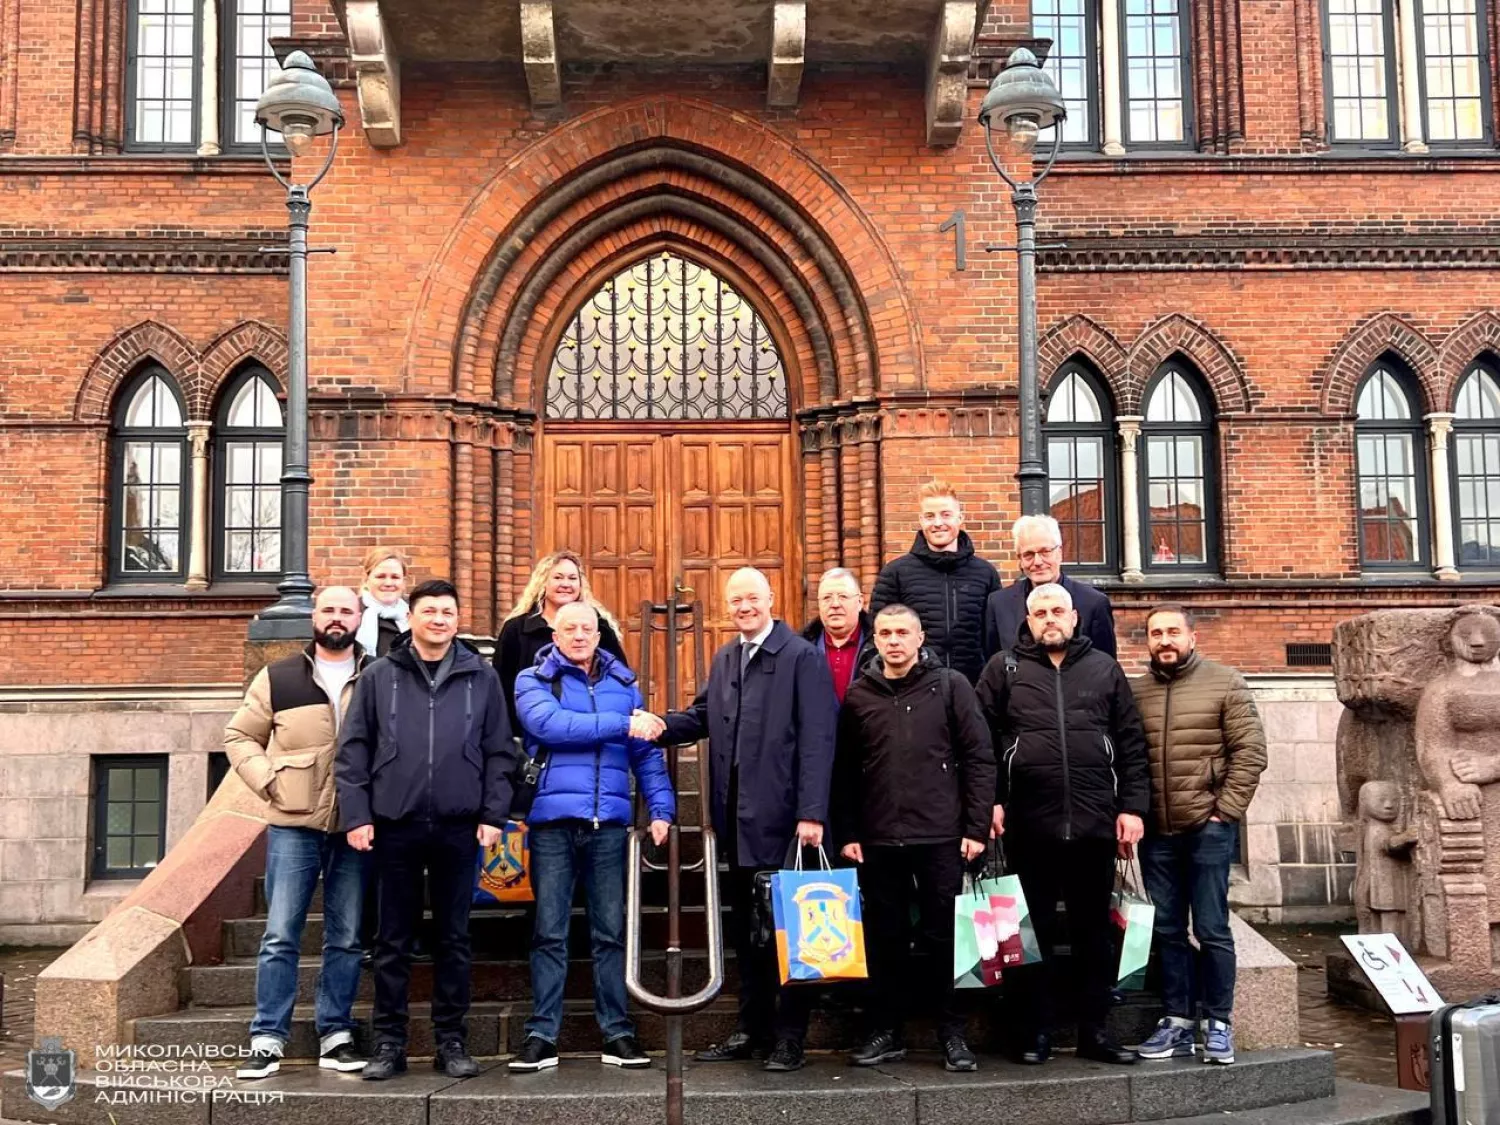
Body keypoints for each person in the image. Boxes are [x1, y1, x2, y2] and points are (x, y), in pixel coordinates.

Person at [335, 579, 517, 1081]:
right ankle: (390, 1042)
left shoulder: (481, 677)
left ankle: (451, 1040)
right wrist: (358, 815)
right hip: (394, 825)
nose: (439, 619)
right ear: (411, 618)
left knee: (454, 939)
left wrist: (492, 815)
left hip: (461, 828)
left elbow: (501, 751)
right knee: (392, 940)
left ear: (458, 620)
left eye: (447, 612)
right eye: (430, 611)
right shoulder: (378, 676)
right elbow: (353, 752)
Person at [659, 567, 838, 1073]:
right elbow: (703, 716)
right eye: (735, 600)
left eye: (752, 598)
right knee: (748, 935)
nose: (744, 607)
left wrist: (812, 813)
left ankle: (789, 1037)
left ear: (771, 600)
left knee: (788, 934)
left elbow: (819, 740)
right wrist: (659, 725)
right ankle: (751, 1028)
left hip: (784, 823)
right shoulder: (727, 658)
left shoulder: (802, 657)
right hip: (734, 824)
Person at [975, 582, 1150, 1067]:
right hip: (1028, 826)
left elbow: (1131, 742)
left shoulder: (1104, 669)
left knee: (1094, 935)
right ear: (1027, 621)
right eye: (1039, 612)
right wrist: (990, 801)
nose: (1049, 618)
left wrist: (1132, 808)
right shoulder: (1003, 670)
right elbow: (979, 743)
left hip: (1095, 826)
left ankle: (1096, 1032)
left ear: (1074, 618)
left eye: (1058, 610)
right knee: (1029, 935)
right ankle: (1033, 1032)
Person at [507, 602, 677, 1073]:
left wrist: (661, 808)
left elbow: (644, 756)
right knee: (549, 932)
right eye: (570, 628)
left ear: (599, 635)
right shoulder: (533, 679)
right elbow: (551, 727)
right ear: (555, 633)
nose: (580, 635)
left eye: (588, 628)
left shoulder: (624, 684)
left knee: (610, 932)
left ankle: (618, 1032)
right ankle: (542, 1034)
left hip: (609, 825)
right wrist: (624, 724)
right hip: (553, 822)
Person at [833, 604, 994, 1072]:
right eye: (885, 633)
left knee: (944, 937)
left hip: (941, 835)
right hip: (879, 838)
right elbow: (844, 771)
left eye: (903, 632)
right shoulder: (860, 695)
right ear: (876, 639)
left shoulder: (950, 686)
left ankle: (952, 1031)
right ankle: (887, 1029)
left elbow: (978, 757)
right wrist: (847, 830)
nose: (894, 641)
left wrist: (976, 826)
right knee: (886, 938)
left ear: (920, 637)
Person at [226, 586, 371, 1080]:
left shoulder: (377, 675)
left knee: (347, 935)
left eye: (346, 610)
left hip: (355, 824)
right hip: (294, 823)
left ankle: (336, 1033)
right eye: (328, 609)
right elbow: (240, 735)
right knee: (280, 933)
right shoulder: (279, 675)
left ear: (360, 617)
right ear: (314, 616)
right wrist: (267, 780)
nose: (336, 618)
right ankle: (268, 1037)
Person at [1130, 604, 1266, 1066]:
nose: (1164, 640)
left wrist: (1223, 814)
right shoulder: (1137, 691)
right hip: (1157, 833)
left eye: (1172, 631)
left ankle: (1219, 1022)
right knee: (1167, 929)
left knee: (1211, 928)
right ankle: (1177, 1021)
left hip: (1207, 827)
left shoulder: (1226, 682)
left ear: (1192, 636)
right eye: (1155, 633)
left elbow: (1250, 753)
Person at [870, 480, 999, 685]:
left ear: (960, 518)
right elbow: (875, 637)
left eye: (945, 514)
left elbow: (994, 639)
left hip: (974, 689)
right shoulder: (895, 574)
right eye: (930, 516)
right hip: (916, 691)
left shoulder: (985, 574)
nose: (938, 523)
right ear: (921, 521)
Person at [494, 550, 628, 714]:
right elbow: (501, 685)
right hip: (532, 726)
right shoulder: (516, 629)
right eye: (558, 577)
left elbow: (619, 676)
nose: (566, 584)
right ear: (543, 583)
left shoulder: (599, 626)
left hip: (592, 725)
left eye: (572, 578)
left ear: (580, 585)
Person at [983, 515, 1116, 660]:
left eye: (1045, 552)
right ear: (1019, 560)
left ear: (1060, 553)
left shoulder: (1094, 603)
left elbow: (1106, 669)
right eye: (1028, 555)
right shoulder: (999, 604)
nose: (1038, 561)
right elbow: (994, 665)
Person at [800, 567, 876, 705]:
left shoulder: (879, 646)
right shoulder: (801, 648)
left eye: (843, 597)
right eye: (827, 598)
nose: (835, 604)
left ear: (860, 602)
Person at [357, 547, 411, 658]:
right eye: (381, 576)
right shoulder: (352, 614)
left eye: (395, 577)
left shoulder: (414, 616)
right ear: (366, 580)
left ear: (404, 582)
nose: (388, 583)